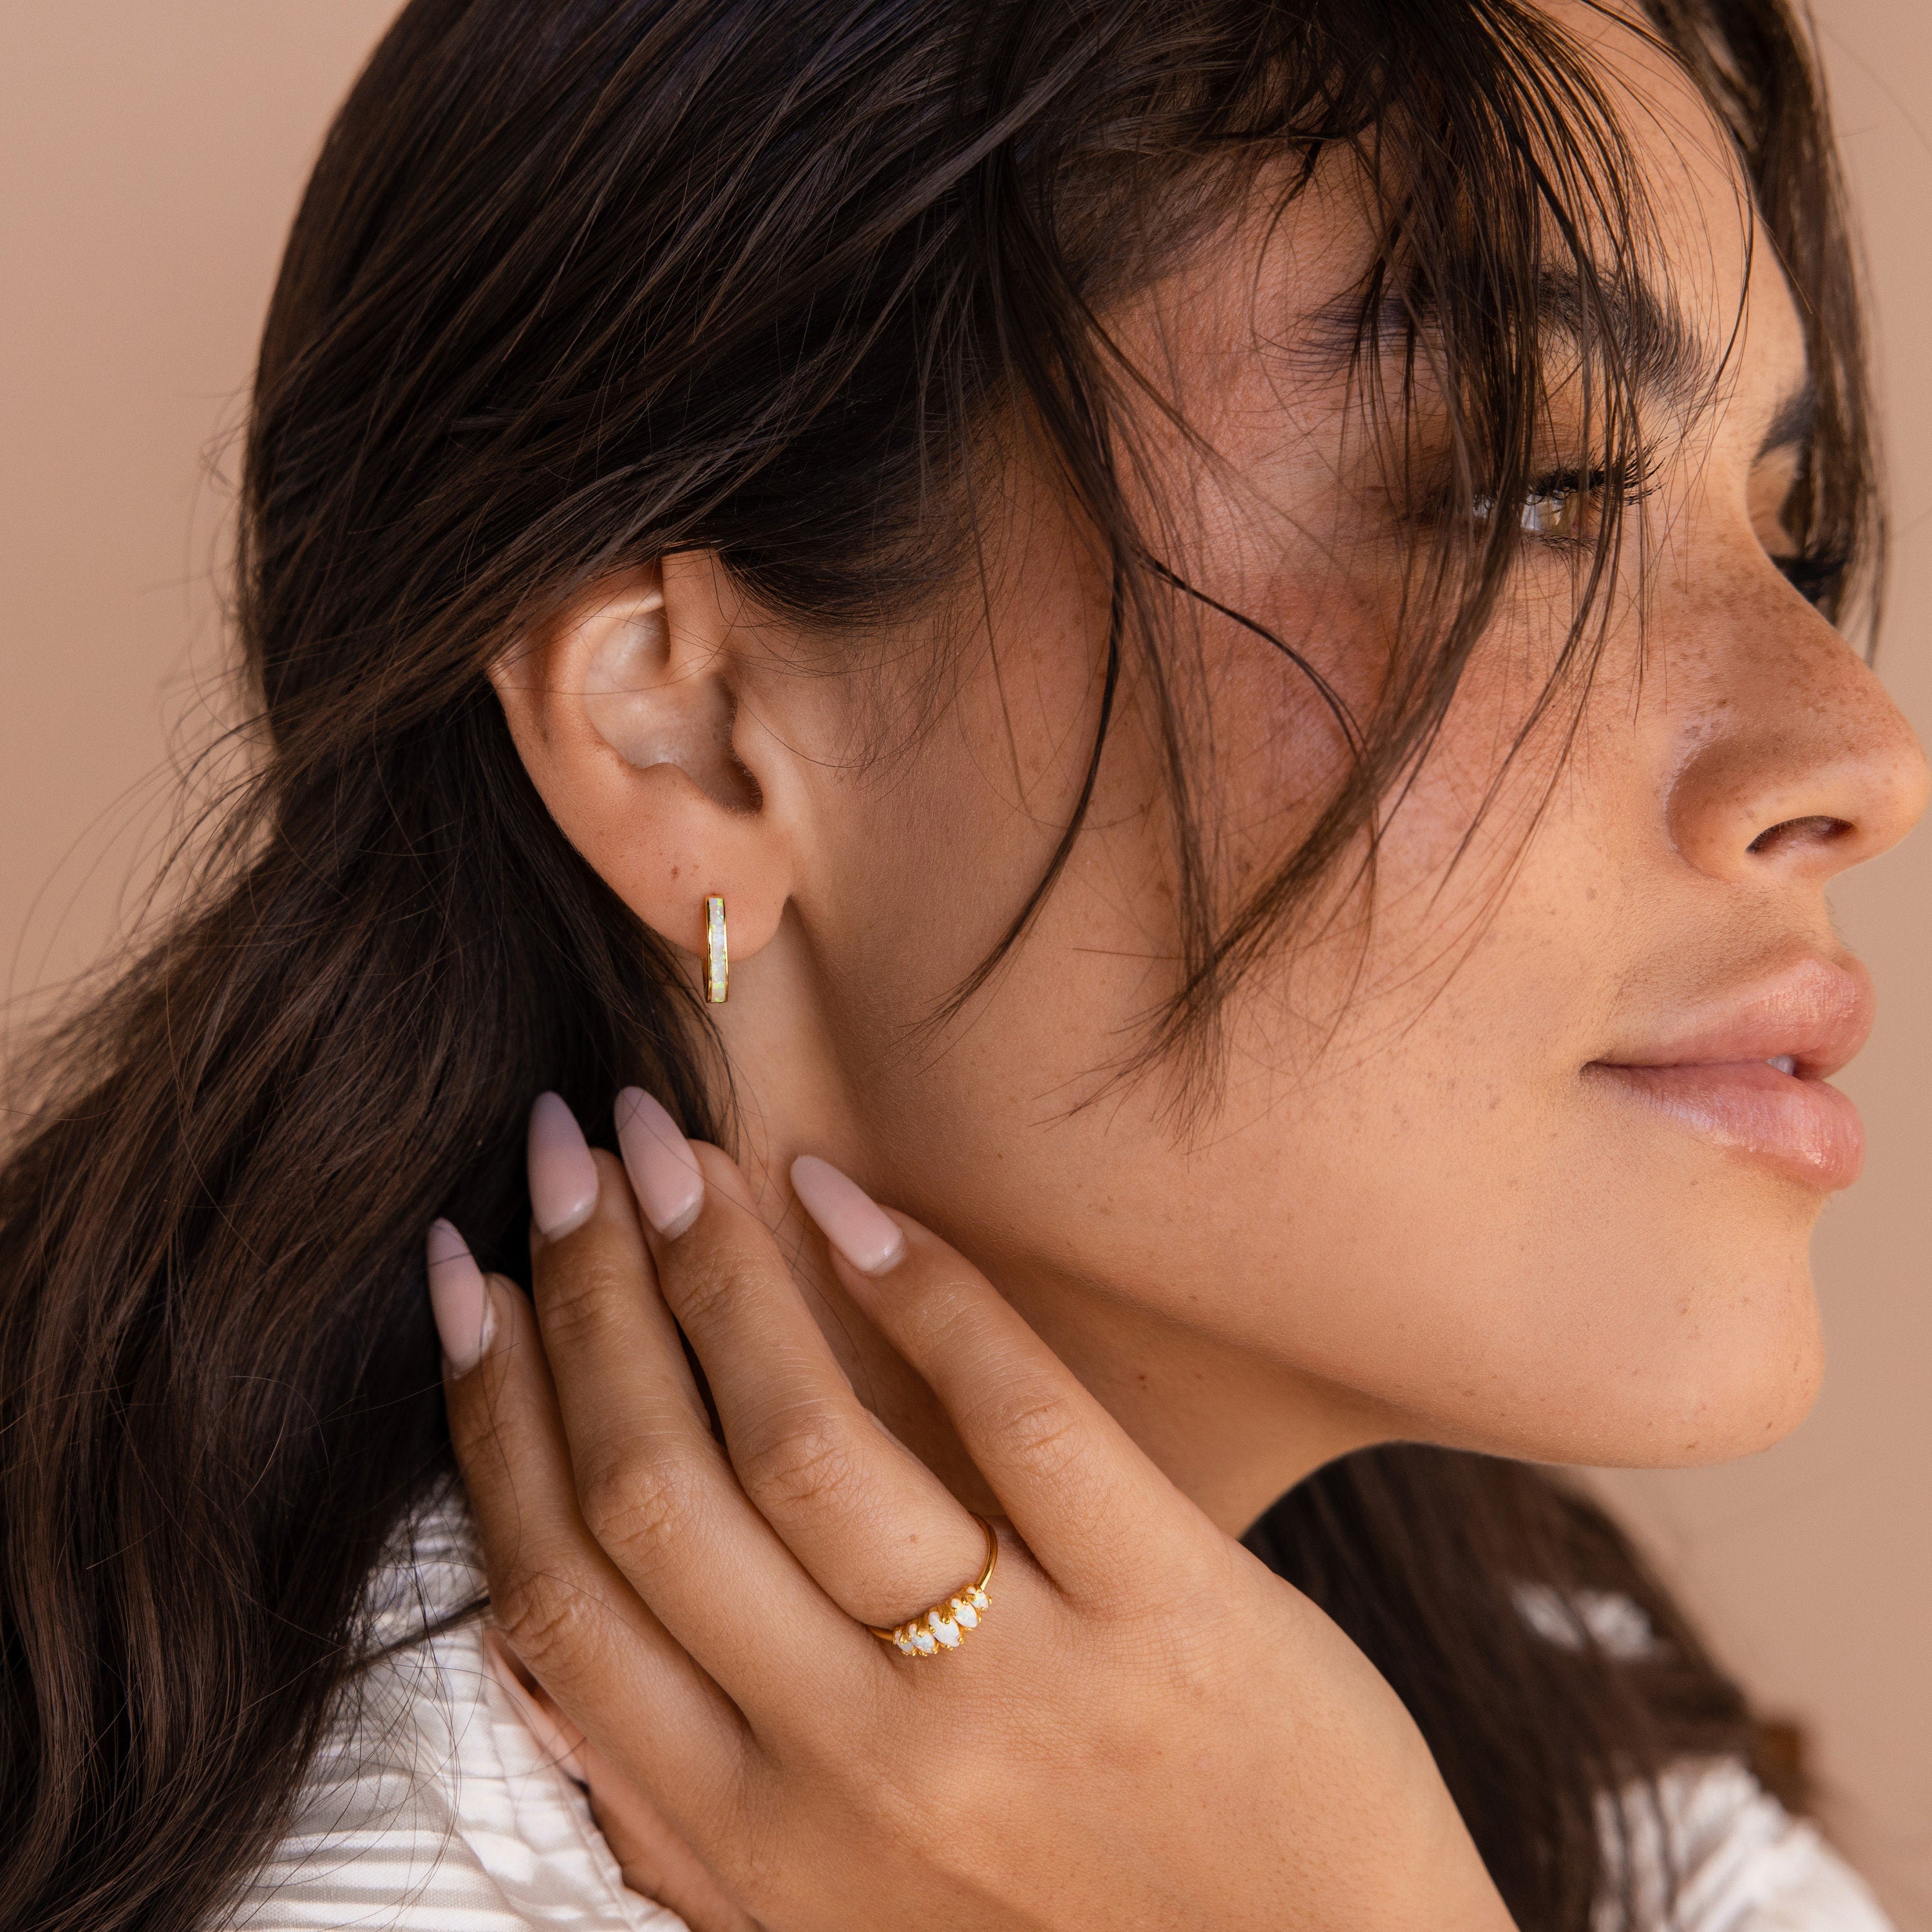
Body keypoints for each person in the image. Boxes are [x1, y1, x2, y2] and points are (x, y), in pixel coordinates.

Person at [1, 0, 1924, 1926]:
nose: (1861, 753)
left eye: (1791, 533)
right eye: (1525, 496)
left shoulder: (1511, 1705)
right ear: (695, 727)